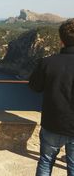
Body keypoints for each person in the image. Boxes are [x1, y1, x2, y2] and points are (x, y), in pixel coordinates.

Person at [29, 19, 74, 176]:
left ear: (61, 40)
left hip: (52, 123)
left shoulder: (48, 62)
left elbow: (34, 86)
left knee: (46, 161)